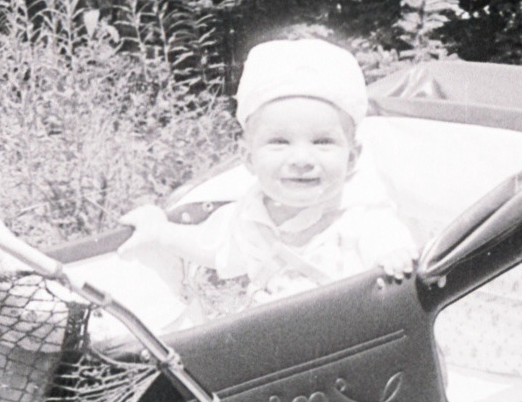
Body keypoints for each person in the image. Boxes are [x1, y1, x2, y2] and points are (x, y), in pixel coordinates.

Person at [119, 37, 417, 307]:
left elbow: (391, 244)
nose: (301, 158)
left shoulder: (361, 215)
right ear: (248, 158)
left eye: (322, 141)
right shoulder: (251, 214)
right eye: (279, 142)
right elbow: (209, 247)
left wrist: (395, 257)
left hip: (348, 342)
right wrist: (158, 231)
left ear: (352, 158)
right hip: (276, 341)